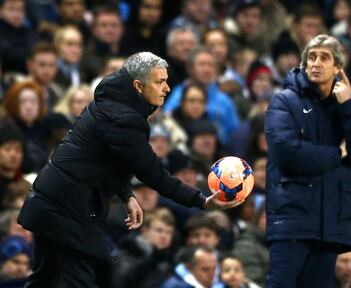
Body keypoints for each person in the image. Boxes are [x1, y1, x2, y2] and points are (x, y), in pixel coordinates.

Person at [17, 52, 242, 287]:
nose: (166, 88)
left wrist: (126, 194)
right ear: (138, 85)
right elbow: (152, 172)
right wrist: (200, 199)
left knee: (44, 279)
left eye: (166, 81)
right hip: (69, 207)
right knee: (79, 280)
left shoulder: (110, 103)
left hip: (50, 199)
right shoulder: (125, 119)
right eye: (159, 82)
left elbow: (108, 158)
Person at [264, 34, 351, 287]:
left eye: (324, 58)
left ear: (338, 67)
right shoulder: (284, 101)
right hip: (291, 222)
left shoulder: (345, 105)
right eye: (311, 57)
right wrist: (337, 154)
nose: (316, 63)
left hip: (330, 224)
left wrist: (349, 105)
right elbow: (287, 152)